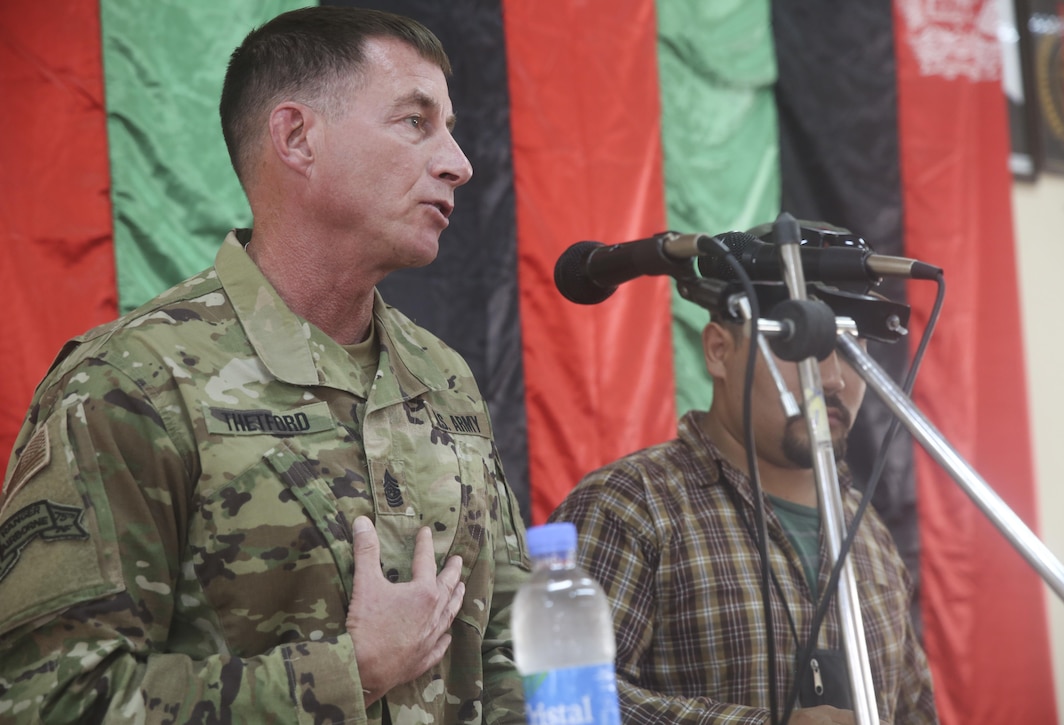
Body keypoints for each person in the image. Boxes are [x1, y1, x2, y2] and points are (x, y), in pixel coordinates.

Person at [0, 7, 530, 723]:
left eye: (451, 128)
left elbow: (504, 651)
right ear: (296, 137)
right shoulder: (132, 383)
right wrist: (350, 672)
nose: (458, 163)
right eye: (415, 121)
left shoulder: (445, 378)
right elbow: (49, 700)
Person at [549, 278, 938, 723]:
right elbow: (560, 703)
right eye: (798, 343)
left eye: (851, 347)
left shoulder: (868, 531)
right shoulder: (629, 505)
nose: (831, 378)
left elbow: (915, 712)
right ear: (719, 350)